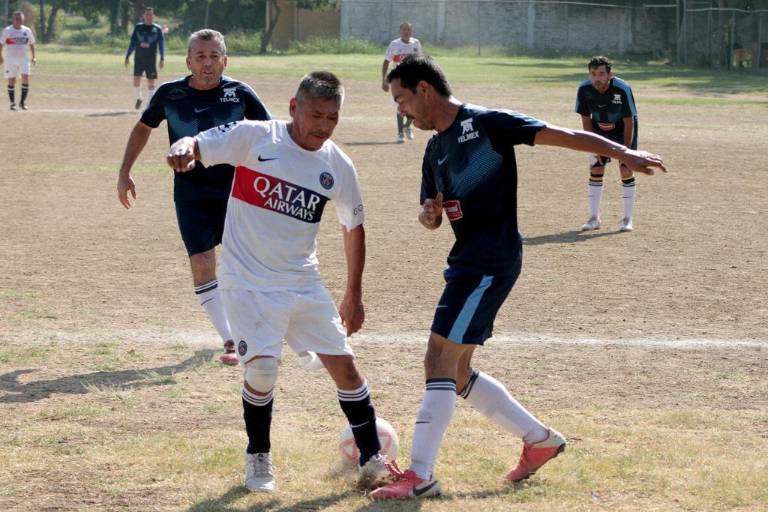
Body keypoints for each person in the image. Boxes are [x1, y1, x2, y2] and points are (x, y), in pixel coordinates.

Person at [370, 55, 666, 500]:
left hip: (490, 260)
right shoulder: (434, 149)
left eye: (402, 99)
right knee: (457, 367)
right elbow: (428, 216)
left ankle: (421, 475)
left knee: (438, 358)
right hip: (468, 259)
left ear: (424, 90)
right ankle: (539, 439)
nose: (401, 110)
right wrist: (428, 214)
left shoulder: (487, 123)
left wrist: (622, 152)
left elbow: (561, 134)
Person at [165, 71, 391, 492]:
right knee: (263, 371)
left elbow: (353, 227)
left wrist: (353, 293)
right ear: (293, 107)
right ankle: (258, 458)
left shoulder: (337, 165)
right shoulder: (256, 136)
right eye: (315, 114)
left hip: (302, 281)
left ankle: (372, 458)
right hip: (247, 282)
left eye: (332, 117)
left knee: (345, 368)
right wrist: (184, 146)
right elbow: (198, 144)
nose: (323, 126)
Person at [117, 29, 271, 366]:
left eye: (214, 56)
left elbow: (271, 135)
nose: (208, 63)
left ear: (224, 60)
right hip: (190, 192)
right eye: (200, 57)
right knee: (202, 262)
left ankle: (254, 331)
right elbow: (144, 127)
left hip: (237, 191)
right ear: (188, 62)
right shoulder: (170, 94)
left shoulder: (240, 93)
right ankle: (231, 339)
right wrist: (125, 170)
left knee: (241, 264)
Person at [576, 56, 639, 232]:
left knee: (626, 168)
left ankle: (627, 219)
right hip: (598, 132)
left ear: (610, 74)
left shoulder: (622, 89)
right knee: (596, 168)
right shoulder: (584, 89)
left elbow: (629, 122)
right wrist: (591, 146)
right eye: (593, 74)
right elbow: (586, 121)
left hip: (623, 131)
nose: (597, 78)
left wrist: (625, 151)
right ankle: (594, 218)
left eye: (602, 74)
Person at [381, 22, 421, 143]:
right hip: (398, 80)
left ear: (411, 31)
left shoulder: (416, 43)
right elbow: (386, 62)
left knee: (417, 104)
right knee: (401, 105)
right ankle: (400, 133)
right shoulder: (394, 44)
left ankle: (407, 126)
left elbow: (421, 60)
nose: (406, 32)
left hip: (413, 79)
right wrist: (385, 80)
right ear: (400, 31)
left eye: (408, 29)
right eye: (404, 29)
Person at [125, 6, 165, 110]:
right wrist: (128, 55)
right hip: (138, 58)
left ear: (153, 16)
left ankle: (150, 104)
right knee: (136, 80)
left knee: (151, 81)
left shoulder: (157, 29)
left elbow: (161, 44)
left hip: (151, 59)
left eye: (150, 14)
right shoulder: (138, 27)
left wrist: (162, 58)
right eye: (147, 14)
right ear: (144, 16)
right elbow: (133, 42)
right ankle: (139, 98)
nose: (149, 16)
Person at [0, 11, 36, 111]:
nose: (17, 20)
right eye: (15, 18)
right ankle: (12, 103)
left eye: (19, 19)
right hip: (10, 60)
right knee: (11, 80)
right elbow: (1, 44)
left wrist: (34, 56)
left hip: (24, 60)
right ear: (13, 20)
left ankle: (22, 102)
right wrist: (0, 56)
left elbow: (32, 43)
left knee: (26, 78)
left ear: (22, 20)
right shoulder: (7, 30)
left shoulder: (27, 30)